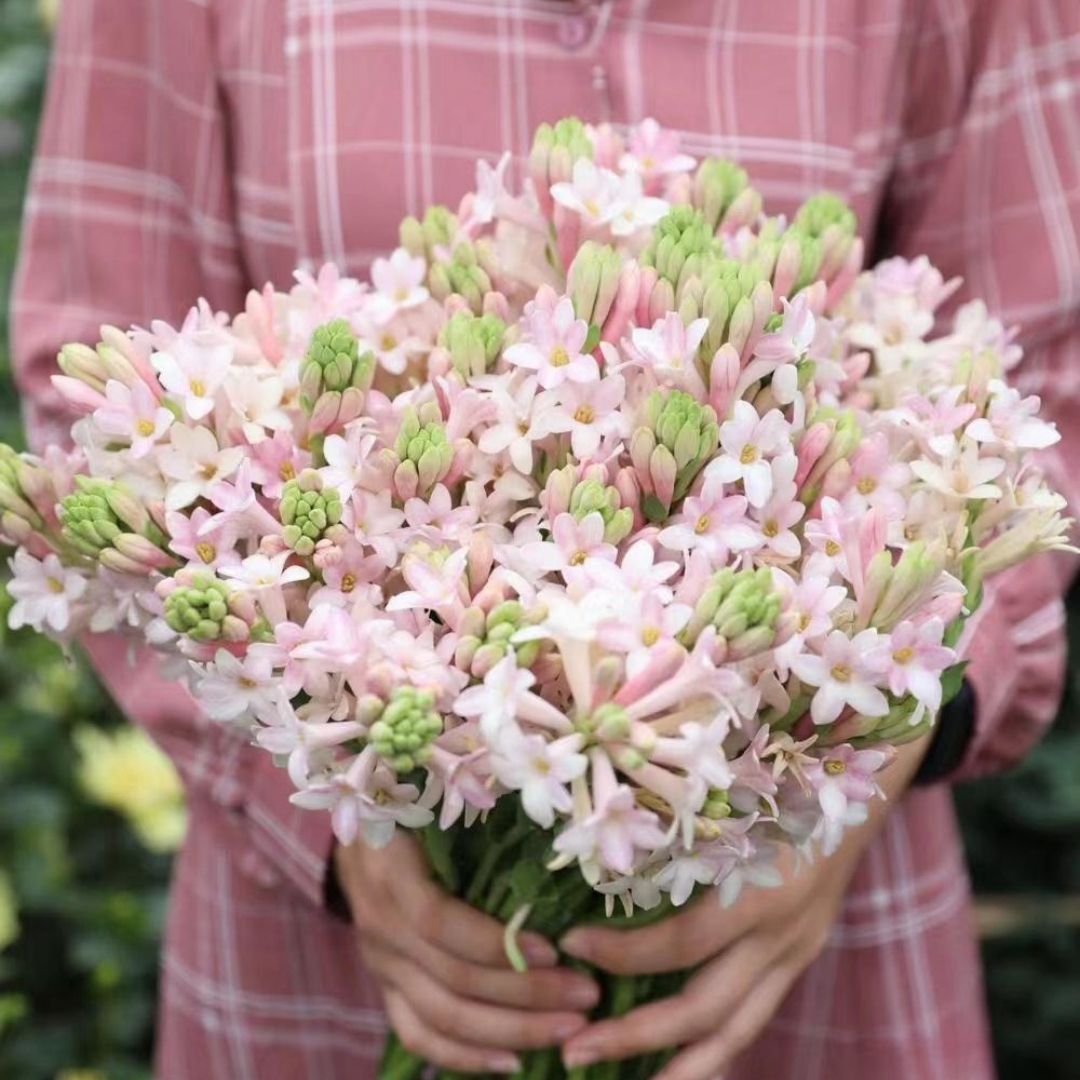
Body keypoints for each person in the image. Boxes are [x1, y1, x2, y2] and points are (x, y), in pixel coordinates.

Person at [11, 2, 1080, 1078]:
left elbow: (1039, 383)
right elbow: (90, 411)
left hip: (806, 909)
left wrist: (864, 757)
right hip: (333, 929)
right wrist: (342, 810)